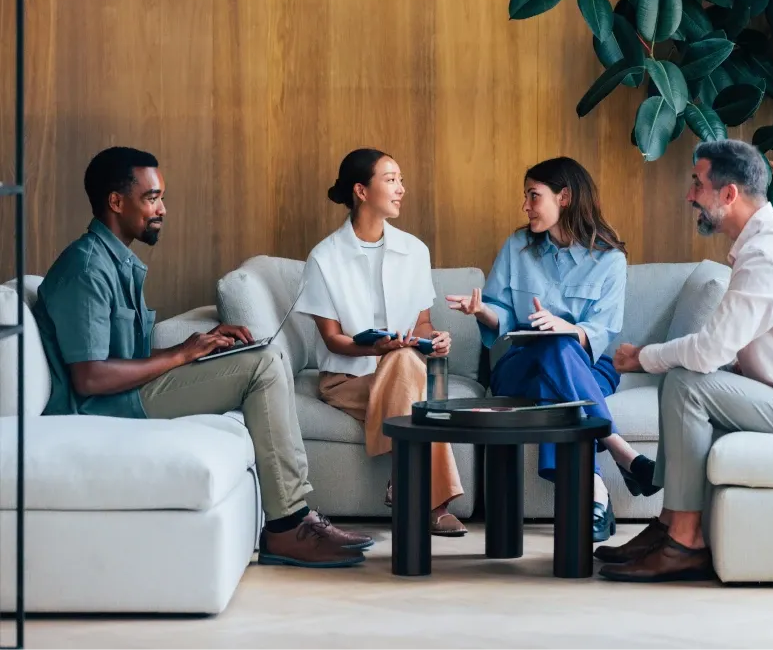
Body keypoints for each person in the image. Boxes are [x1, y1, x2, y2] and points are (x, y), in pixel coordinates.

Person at [34, 147, 372, 569]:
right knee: (263, 365)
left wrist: (200, 344)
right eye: (152, 198)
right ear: (116, 202)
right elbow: (90, 378)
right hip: (102, 407)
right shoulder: (87, 269)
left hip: (125, 393)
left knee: (262, 355)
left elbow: (121, 357)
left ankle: (293, 520)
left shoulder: (117, 262)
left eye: (161, 197)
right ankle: (289, 524)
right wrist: (180, 354)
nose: (163, 208)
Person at [598, 139, 773, 582]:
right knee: (686, 377)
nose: (690, 195)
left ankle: (685, 542)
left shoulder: (768, 254)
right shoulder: (768, 242)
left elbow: (709, 351)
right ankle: (669, 524)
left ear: (729, 195)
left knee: (688, 379)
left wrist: (642, 358)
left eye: (697, 184)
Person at [447, 156, 657, 543]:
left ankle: (594, 493)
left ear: (564, 197)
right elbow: (502, 312)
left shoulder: (609, 259)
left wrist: (569, 329)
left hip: (588, 367)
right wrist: (481, 311)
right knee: (548, 350)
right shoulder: (518, 246)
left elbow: (603, 329)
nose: (525, 206)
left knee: (556, 361)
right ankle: (619, 457)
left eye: (533, 196)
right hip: (518, 366)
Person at [293, 148, 468, 537]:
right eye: (390, 180)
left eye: (400, 179)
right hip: (347, 378)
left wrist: (434, 339)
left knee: (406, 363)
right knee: (406, 370)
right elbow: (333, 339)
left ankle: (407, 484)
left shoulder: (414, 250)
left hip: (406, 370)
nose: (401, 188)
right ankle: (430, 502)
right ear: (361, 190)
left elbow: (421, 323)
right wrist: (378, 348)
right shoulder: (324, 257)